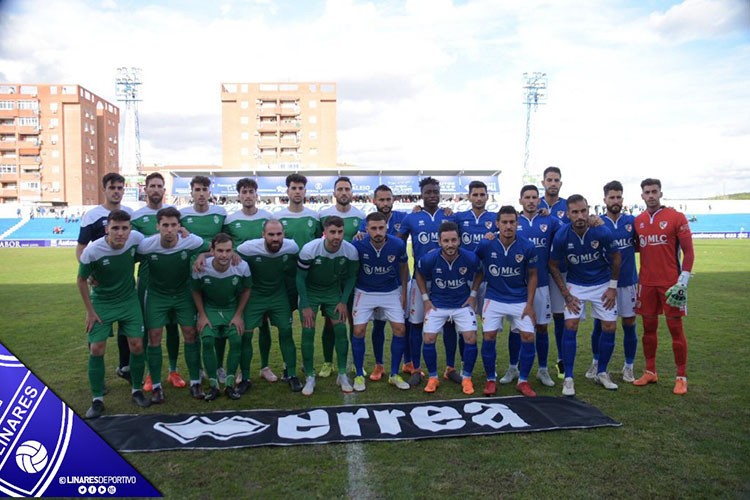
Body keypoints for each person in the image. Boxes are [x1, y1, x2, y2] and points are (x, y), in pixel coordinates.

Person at [77, 210, 149, 418]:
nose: (120, 233)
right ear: (107, 228)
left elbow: (155, 246)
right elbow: (82, 280)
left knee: (136, 344)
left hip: (128, 301)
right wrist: (90, 311)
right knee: (97, 348)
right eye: (115, 228)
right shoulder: (93, 251)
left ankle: (136, 390)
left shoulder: (136, 240)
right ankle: (97, 399)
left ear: (130, 229)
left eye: (124, 228)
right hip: (102, 303)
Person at [549, 194, 621, 396]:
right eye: (575, 212)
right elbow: (553, 264)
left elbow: (616, 257)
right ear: (568, 214)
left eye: (583, 211)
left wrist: (613, 287)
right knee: (569, 325)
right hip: (576, 285)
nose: (580, 216)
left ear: (588, 210)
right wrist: (566, 294)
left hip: (602, 284)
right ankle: (569, 378)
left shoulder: (601, 231)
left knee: (610, 326)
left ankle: (602, 372)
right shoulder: (563, 235)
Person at [633, 178, 695, 395]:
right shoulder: (638, 221)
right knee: (648, 330)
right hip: (646, 284)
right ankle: (650, 371)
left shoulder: (676, 217)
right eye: (647, 192)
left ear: (660, 194)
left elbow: (689, 252)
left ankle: (681, 376)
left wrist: (683, 281)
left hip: (671, 284)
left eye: (654, 191)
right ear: (642, 196)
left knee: (675, 329)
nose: (650, 195)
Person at [137, 207, 205, 403]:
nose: (169, 229)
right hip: (157, 295)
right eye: (165, 225)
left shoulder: (190, 240)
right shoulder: (146, 245)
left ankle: (195, 382)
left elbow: (210, 247)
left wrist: (201, 255)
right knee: (154, 336)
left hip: (183, 294)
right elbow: (126, 257)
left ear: (179, 226)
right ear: (157, 226)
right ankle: (157, 386)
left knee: (190, 333)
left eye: (173, 225)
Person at [397, 177, 456, 386]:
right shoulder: (412, 217)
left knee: (449, 324)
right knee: (416, 325)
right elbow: (397, 244)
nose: (432, 195)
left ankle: (450, 368)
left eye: (435, 192)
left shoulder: (449, 216)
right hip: (419, 280)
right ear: (421, 194)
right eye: (428, 192)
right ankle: (416, 368)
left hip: (446, 282)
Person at [130, 173, 187, 391]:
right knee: (149, 329)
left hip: (175, 281)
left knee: (173, 327)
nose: (156, 189)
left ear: (164, 190)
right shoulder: (136, 218)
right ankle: (149, 373)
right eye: (152, 185)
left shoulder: (175, 216)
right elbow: (131, 251)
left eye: (160, 186)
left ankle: (173, 370)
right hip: (148, 282)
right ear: (145, 189)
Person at [76, 173, 134, 384]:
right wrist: (88, 273)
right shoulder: (92, 215)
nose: (116, 191)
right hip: (101, 285)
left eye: (120, 187)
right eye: (112, 187)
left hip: (123, 285)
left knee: (127, 328)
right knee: (98, 333)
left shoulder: (129, 213)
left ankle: (125, 366)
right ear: (105, 189)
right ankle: (98, 378)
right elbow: (81, 248)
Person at [476, 206, 539, 397]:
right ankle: (490, 380)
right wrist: (472, 294)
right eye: (504, 222)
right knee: (489, 336)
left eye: (512, 222)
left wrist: (529, 304)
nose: (508, 226)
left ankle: (523, 381)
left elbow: (533, 275)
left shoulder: (527, 246)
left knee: (528, 336)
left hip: (519, 298)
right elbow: (474, 265)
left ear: (517, 224)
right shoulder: (486, 245)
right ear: (497, 224)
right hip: (494, 297)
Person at [415, 221, 482, 395]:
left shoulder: (469, 257)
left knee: (470, 338)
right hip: (438, 305)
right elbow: (419, 274)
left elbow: (480, 272)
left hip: (461, 304)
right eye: (446, 241)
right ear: (439, 242)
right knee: (428, 338)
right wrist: (425, 299)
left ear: (459, 240)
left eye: (453, 240)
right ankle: (433, 377)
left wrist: (473, 295)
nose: (450, 244)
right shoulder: (430, 258)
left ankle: (466, 377)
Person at [296, 216, 359, 396]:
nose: (336, 236)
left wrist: (343, 301)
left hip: (333, 293)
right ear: (325, 232)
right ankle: (309, 376)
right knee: (308, 330)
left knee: (340, 330)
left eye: (340, 232)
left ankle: (341, 374)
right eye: (332, 232)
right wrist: (306, 304)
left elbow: (351, 277)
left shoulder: (350, 251)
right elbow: (300, 278)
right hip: (311, 292)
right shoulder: (310, 249)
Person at [236, 220, 302, 392]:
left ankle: (292, 374)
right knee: (246, 336)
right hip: (255, 296)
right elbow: (233, 258)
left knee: (286, 332)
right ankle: (245, 376)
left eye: (279, 234)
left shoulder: (292, 247)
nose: (275, 238)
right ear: (263, 235)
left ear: (284, 234)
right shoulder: (247, 248)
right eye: (271, 234)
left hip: (278, 295)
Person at [223, 177, 278, 384]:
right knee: (242, 326)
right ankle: (240, 369)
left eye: (251, 192)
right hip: (238, 279)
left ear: (257, 195)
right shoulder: (230, 220)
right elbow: (225, 245)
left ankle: (265, 366)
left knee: (264, 324)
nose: (247, 196)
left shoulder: (267, 217)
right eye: (244, 192)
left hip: (263, 277)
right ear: (238, 196)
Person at [584, 181, 639, 383]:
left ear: (622, 199)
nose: (615, 201)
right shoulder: (597, 223)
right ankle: (597, 362)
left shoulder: (632, 222)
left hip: (628, 282)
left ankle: (629, 366)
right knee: (600, 325)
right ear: (604, 199)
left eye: (618, 197)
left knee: (629, 324)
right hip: (603, 284)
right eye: (611, 197)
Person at [351, 212, 410, 391]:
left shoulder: (397, 244)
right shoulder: (358, 244)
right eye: (373, 229)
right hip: (364, 291)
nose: (378, 232)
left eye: (381, 228)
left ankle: (394, 374)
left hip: (390, 291)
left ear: (386, 227)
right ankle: (360, 375)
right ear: (366, 229)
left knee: (400, 329)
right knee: (359, 330)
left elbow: (403, 266)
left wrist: (404, 292)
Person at [180, 176, 229, 382]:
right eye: (197, 189)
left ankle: (218, 366)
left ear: (210, 192)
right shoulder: (182, 215)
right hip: (189, 276)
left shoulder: (220, 213)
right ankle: (198, 369)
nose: (201, 193)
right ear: (191, 192)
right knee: (192, 326)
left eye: (205, 190)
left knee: (217, 323)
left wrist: (205, 254)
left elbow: (225, 243)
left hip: (215, 276)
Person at [191, 233, 251, 401]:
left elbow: (247, 289)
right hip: (210, 308)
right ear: (212, 251)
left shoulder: (241, 266)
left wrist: (239, 314)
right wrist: (202, 315)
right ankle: (213, 386)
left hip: (231, 308)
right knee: (208, 339)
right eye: (220, 251)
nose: (224, 255)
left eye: (228, 251)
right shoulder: (202, 267)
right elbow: (195, 291)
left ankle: (230, 385)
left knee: (237, 339)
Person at [318, 177, 366, 379]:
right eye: (340, 189)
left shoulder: (360, 215)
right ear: (334, 193)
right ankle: (328, 362)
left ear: (352, 193)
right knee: (330, 321)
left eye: (347, 189)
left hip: (353, 276)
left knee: (356, 321)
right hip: (330, 278)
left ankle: (357, 363)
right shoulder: (323, 214)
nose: (344, 192)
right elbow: (317, 241)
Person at [515, 185, 562, 388]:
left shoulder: (549, 221)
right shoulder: (514, 221)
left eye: (535, 197)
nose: (532, 201)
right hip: (516, 285)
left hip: (542, 283)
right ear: (521, 200)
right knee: (517, 329)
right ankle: (512, 367)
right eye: (527, 197)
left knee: (542, 327)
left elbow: (567, 230)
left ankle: (543, 369)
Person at [538, 166, 570, 380]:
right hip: (537, 273)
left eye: (556, 180)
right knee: (538, 321)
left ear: (560, 183)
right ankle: (537, 365)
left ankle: (561, 360)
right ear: (543, 182)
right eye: (549, 179)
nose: (552, 183)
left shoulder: (568, 206)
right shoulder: (532, 203)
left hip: (560, 270)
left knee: (560, 317)